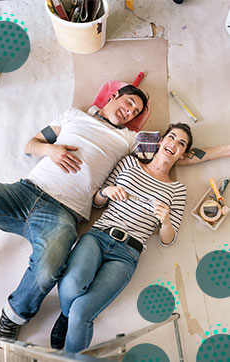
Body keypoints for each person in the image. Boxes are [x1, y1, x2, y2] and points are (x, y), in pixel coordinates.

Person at [0, 84, 227, 341]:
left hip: (63, 215)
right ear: (113, 97)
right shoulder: (73, 116)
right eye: (129, 102)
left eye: (135, 112)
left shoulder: (129, 140)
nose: (130, 111)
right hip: (24, 191)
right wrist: (51, 150)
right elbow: (31, 144)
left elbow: (178, 153)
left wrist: (225, 150)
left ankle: (14, 316)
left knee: (49, 269)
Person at [50, 123, 192, 353]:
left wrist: (165, 220)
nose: (174, 144)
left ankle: (70, 325)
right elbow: (97, 201)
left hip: (127, 254)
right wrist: (106, 192)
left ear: (183, 154)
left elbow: (169, 239)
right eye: (172, 137)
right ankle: (65, 315)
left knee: (82, 312)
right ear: (161, 141)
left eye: (181, 143)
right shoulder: (129, 162)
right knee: (72, 285)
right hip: (98, 236)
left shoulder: (177, 190)